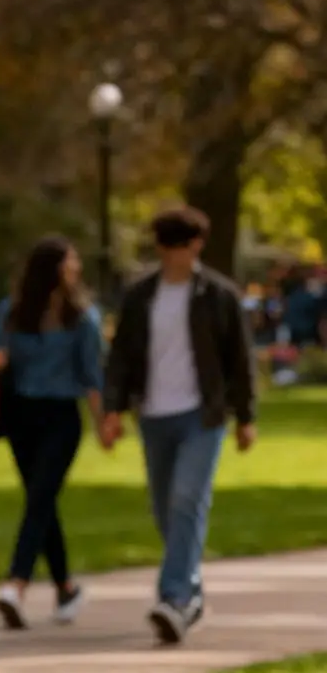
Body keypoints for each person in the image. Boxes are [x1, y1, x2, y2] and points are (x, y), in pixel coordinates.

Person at [101, 205, 256, 645]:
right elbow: (122, 357)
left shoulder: (219, 295)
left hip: (201, 415)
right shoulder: (141, 296)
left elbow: (240, 358)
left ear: (197, 246)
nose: (174, 257)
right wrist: (112, 409)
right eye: (167, 248)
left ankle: (172, 598)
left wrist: (246, 417)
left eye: (182, 247)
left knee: (188, 498)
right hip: (153, 414)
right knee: (164, 508)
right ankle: (192, 592)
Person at [0, 236, 104, 630]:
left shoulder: (83, 318)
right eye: (71, 261)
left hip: (62, 417)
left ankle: (16, 585)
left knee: (41, 497)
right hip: (20, 415)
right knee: (39, 501)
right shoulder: (12, 312)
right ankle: (66, 588)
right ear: (54, 269)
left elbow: (92, 376)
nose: (77, 268)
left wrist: (104, 423)